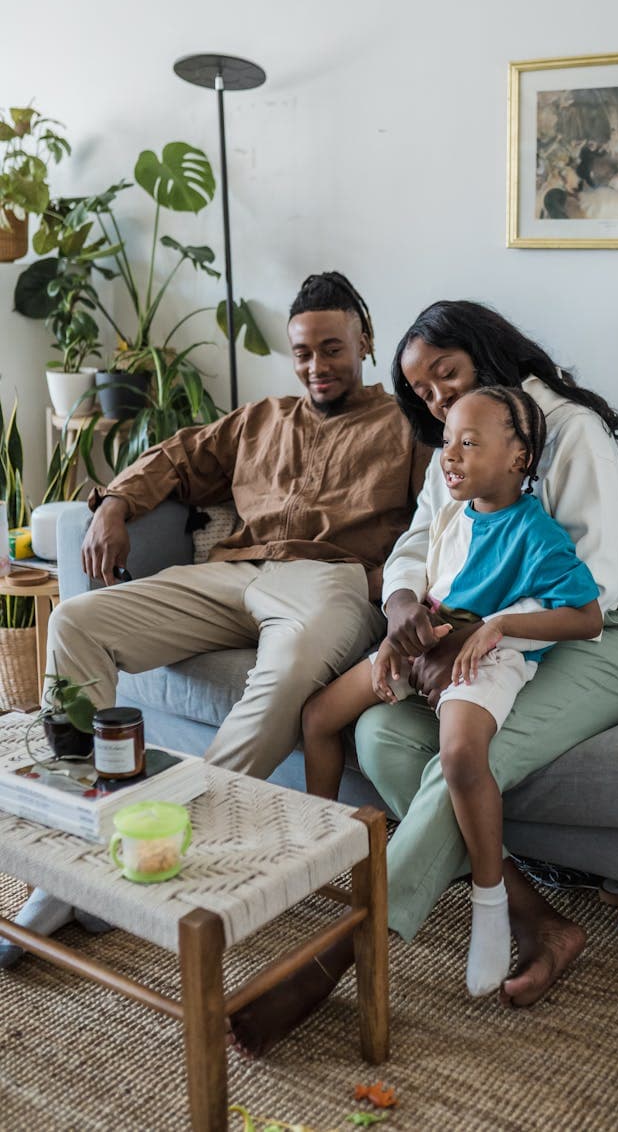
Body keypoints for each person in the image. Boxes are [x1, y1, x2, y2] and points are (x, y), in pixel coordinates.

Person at [229, 299, 618, 1056]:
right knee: (379, 733)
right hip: (479, 638)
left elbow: (587, 587)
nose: (434, 398)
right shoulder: (457, 442)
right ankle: (537, 920)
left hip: (601, 637)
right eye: (422, 391)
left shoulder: (567, 432)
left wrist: (463, 632)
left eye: (447, 374)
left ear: (488, 355)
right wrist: (406, 606)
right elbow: (419, 543)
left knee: (467, 758)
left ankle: (335, 955)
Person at [0, 271, 430, 968]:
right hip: (233, 571)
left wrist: (383, 585)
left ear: (365, 343)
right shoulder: (261, 420)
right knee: (77, 622)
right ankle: (76, 850)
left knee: (288, 673)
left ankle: (150, 844)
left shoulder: (407, 426)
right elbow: (174, 458)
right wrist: (110, 506)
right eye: (302, 352)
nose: (315, 366)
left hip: (331, 579)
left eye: (332, 349)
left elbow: (436, 529)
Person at [301, 386, 602, 996]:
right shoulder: (449, 516)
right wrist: (394, 642)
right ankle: (321, 856)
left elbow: (588, 618)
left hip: (488, 662)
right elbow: (433, 595)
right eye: (446, 442)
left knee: (462, 757)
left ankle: (491, 907)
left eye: (469, 443)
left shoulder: (536, 534)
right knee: (318, 715)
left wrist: (501, 625)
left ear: (520, 459)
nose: (451, 456)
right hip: (427, 647)